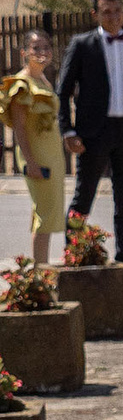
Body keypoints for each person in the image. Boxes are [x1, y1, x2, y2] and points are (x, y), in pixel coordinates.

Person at [54, 0, 123, 284]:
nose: (113, 16)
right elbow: (63, 92)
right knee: (83, 198)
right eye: (107, 11)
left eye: (118, 11)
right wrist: (69, 131)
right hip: (93, 134)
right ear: (95, 15)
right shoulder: (82, 45)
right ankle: (73, 261)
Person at [3, 30, 65, 265]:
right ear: (24, 52)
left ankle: (43, 270)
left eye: (46, 47)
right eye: (36, 48)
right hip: (36, 155)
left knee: (47, 213)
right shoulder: (22, 84)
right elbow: (19, 128)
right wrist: (31, 162)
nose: (42, 52)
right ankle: (41, 273)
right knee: (44, 214)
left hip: (51, 154)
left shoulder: (43, 80)